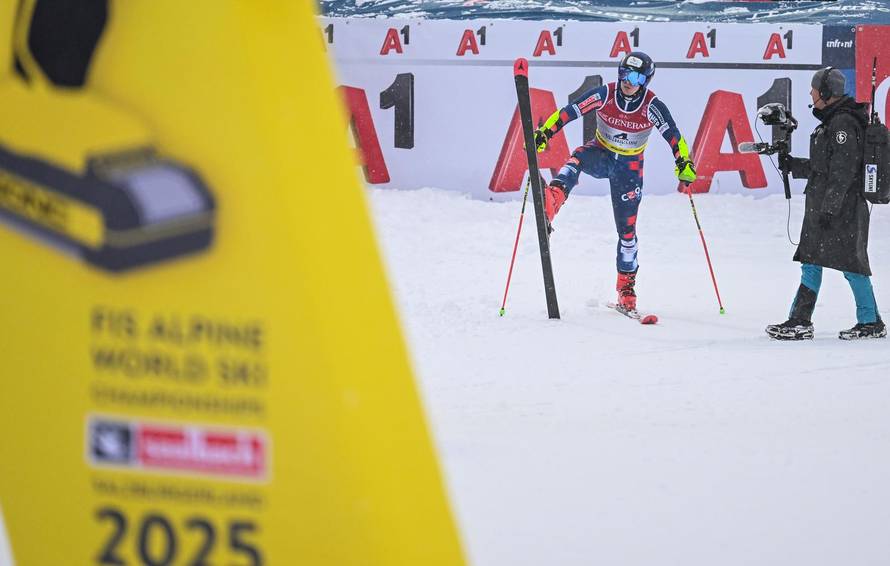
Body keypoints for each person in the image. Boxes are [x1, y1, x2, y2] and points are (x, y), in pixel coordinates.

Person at [532, 51, 696, 312]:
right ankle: (553, 199)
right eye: (623, 73)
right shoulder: (605, 94)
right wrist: (545, 133)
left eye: (635, 77)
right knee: (578, 157)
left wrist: (683, 162)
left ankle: (626, 290)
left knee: (627, 234)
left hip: (629, 169)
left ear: (645, 81)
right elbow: (569, 112)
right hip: (602, 153)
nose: (627, 81)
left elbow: (673, 135)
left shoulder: (652, 106)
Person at [766, 67, 885, 340]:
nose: (811, 93)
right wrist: (793, 165)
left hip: (841, 208)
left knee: (851, 264)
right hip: (828, 206)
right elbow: (825, 167)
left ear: (826, 92)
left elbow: (844, 171)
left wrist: (829, 209)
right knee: (811, 260)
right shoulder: (833, 121)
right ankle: (800, 320)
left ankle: (870, 322)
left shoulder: (842, 123)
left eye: (815, 88)